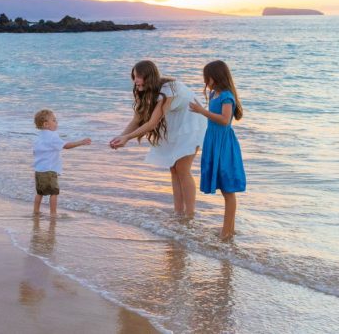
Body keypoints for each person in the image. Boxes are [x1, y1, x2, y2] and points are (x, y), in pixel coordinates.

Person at [109, 60, 207, 218]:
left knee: (182, 169)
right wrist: (122, 136)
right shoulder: (146, 90)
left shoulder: (168, 89)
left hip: (192, 122)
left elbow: (152, 123)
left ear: (150, 76)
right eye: (134, 77)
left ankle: (190, 216)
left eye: (139, 77)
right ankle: (178, 213)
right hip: (176, 123)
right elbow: (137, 119)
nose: (136, 81)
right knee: (173, 168)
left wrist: (127, 138)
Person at [190, 60, 246, 240]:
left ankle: (226, 232)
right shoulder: (214, 93)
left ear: (216, 76)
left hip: (224, 145)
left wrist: (201, 111)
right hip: (213, 142)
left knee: (228, 190)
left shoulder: (226, 96)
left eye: (207, 77)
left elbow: (224, 120)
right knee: (225, 189)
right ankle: (229, 231)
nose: (205, 80)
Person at [32, 108, 92, 215]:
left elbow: (35, 152)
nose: (56, 122)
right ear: (46, 124)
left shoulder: (39, 136)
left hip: (39, 170)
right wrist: (81, 142)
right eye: (54, 120)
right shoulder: (52, 136)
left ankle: (36, 211)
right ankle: (53, 213)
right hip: (49, 170)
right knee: (54, 193)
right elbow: (66, 146)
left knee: (40, 193)